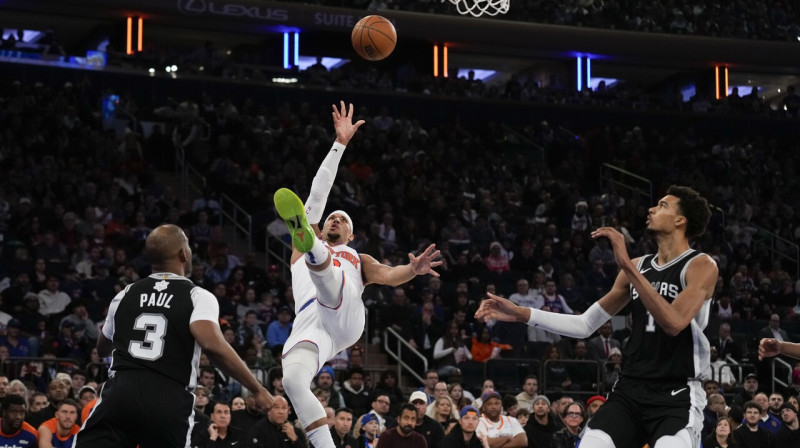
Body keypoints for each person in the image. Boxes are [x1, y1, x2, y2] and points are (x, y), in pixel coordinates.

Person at [476, 186, 718, 448]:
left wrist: (625, 264)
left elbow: (673, 323)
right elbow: (585, 324)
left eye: (662, 206)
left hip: (677, 393)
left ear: (680, 220)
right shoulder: (638, 266)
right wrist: (522, 314)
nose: (651, 209)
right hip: (630, 389)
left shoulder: (701, 265)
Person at [272, 101, 441, 448]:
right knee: (291, 381)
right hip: (310, 324)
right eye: (332, 218)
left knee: (326, 276)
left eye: (343, 220)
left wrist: (413, 269)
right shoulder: (302, 246)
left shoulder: (357, 256)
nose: (335, 220)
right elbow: (318, 192)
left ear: (350, 235)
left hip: (346, 314)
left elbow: (391, 276)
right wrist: (340, 143)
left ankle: (315, 250)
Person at [74, 225, 273, 448]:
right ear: (184, 253)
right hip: (168, 395)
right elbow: (211, 343)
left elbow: (102, 347)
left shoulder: (125, 294)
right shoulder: (197, 295)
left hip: (121, 391)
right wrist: (258, 388)